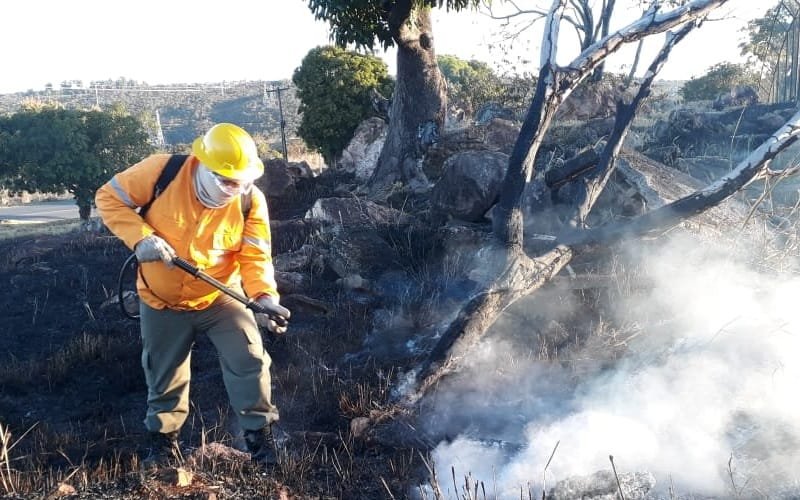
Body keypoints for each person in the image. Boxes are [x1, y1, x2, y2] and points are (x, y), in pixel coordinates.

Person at [95, 123, 291, 466]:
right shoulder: (162, 171)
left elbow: (255, 254)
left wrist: (263, 298)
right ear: (207, 168)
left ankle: (261, 443)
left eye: (244, 181)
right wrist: (140, 238)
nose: (237, 189)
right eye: (230, 181)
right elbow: (108, 198)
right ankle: (162, 445)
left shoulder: (249, 200)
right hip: (161, 300)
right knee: (164, 373)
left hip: (220, 296)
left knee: (250, 359)